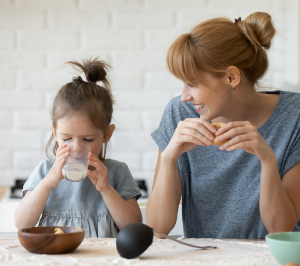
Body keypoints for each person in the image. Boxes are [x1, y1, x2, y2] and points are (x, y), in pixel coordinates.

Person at [146, 12, 300, 239]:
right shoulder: (179, 114)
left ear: (231, 77)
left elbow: (281, 230)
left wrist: (267, 160)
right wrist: (169, 158)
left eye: (192, 83)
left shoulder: (294, 116)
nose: (184, 97)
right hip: (205, 265)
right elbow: (158, 228)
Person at [14, 58, 142, 238]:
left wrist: (107, 189)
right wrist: (47, 183)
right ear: (54, 132)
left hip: (104, 261)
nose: (76, 147)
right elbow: (22, 224)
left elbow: (134, 227)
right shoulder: (45, 170)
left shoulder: (116, 172)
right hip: (56, 258)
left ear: (107, 134)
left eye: (88, 139)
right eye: (66, 138)